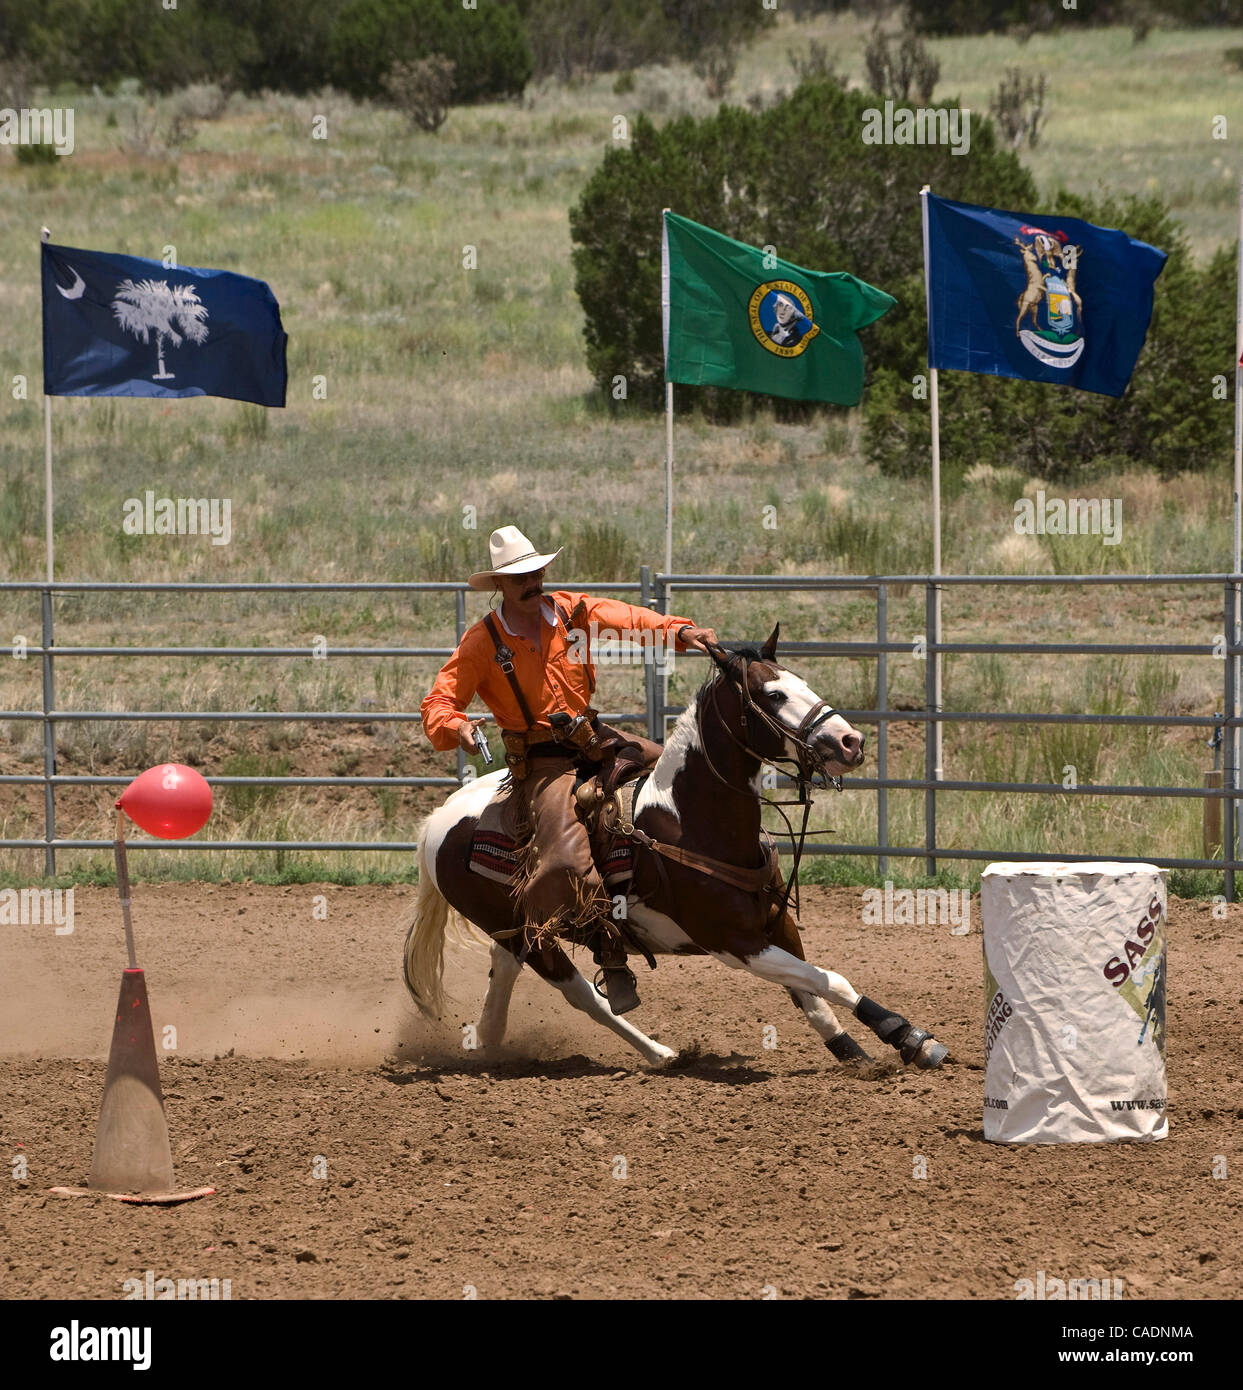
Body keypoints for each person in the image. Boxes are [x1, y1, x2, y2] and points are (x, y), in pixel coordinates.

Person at [421, 526, 717, 1013]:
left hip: (593, 739)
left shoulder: (570, 611)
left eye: (536, 571)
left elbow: (631, 620)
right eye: (520, 576)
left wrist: (681, 632)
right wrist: (457, 727)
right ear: (500, 584)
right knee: (563, 859)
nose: (532, 581)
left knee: (676, 775)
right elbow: (439, 700)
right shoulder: (482, 642)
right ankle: (608, 950)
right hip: (543, 763)